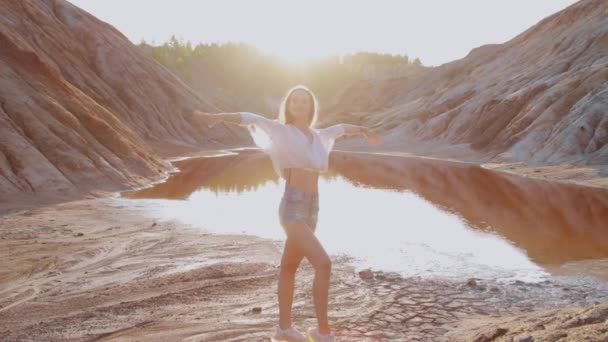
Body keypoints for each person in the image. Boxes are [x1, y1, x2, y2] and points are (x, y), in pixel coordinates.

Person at [189, 84, 382, 342]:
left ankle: (284, 329)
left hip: (313, 206)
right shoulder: (281, 130)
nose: (300, 105)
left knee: (289, 268)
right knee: (324, 263)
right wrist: (220, 117)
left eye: (304, 101)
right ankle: (323, 332)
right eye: (295, 101)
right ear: (288, 106)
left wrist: (365, 130)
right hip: (292, 206)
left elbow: (342, 128)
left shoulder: (320, 135)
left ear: (311, 106)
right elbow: (251, 118)